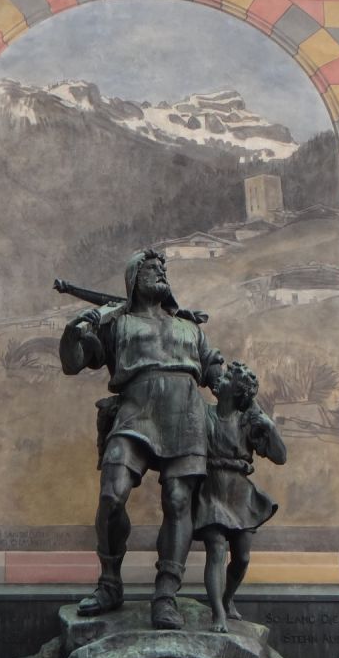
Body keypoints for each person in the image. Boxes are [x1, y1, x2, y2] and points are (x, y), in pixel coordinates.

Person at [59, 249, 223, 630]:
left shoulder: (190, 327)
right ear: (133, 277)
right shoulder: (117, 324)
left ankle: (166, 595)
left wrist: (246, 410)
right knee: (111, 495)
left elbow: (217, 373)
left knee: (179, 500)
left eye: (163, 268)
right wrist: (72, 332)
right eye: (151, 267)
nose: (160, 271)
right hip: (135, 409)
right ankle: (110, 583)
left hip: (186, 413)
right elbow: (73, 363)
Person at [193, 361, 287, 632]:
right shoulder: (204, 413)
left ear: (235, 391)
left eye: (228, 377)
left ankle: (227, 598)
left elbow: (280, 457)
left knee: (242, 557)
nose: (220, 379)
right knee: (216, 550)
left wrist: (269, 428)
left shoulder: (248, 422)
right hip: (212, 490)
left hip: (240, 493)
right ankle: (218, 614)